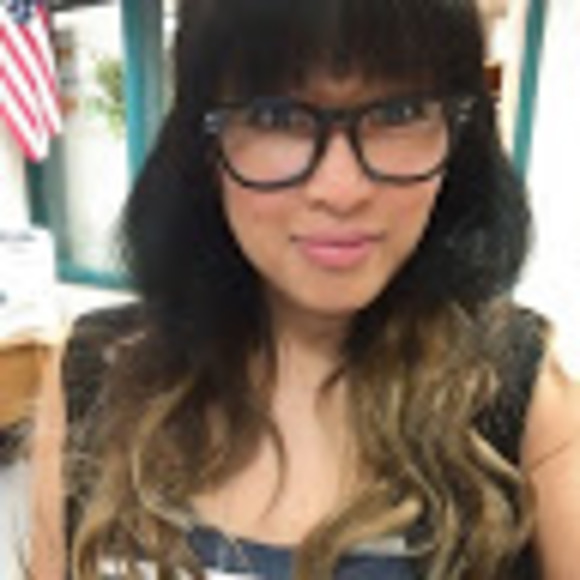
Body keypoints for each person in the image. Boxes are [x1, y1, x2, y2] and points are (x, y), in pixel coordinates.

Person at [68, 0, 580, 578]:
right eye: (276, 116)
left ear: (459, 135)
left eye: (401, 112)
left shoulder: (521, 397)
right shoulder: (97, 375)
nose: (342, 190)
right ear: (205, 145)